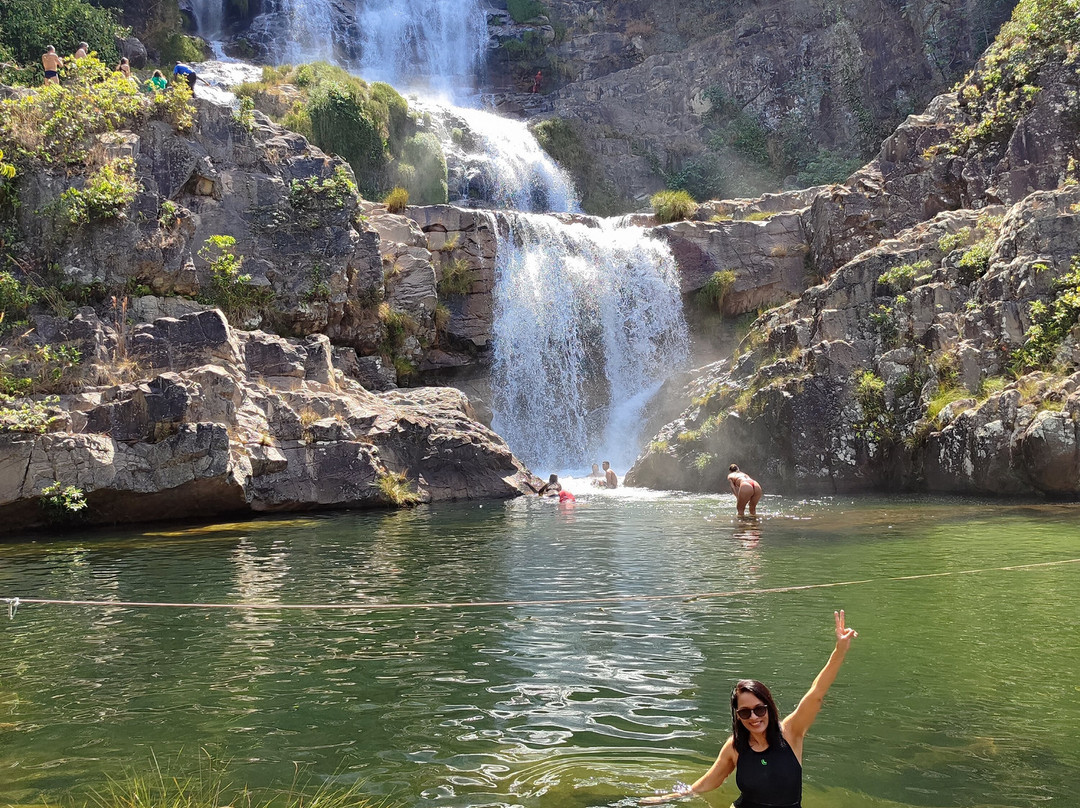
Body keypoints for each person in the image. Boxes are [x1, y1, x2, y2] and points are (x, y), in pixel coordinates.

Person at [642, 610, 858, 806]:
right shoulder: (735, 746)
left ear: (769, 708)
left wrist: (839, 651)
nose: (754, 717)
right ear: (737, 715)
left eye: (759, 709)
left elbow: (816, 693)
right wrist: (663, 800)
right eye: (745, 712)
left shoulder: (792, 733)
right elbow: (707, 783)